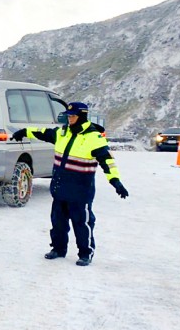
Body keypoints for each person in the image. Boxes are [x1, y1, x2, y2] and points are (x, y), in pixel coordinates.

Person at [10, 101, 129, 266]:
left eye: (72, 116)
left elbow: (107, 161)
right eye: (68, 116)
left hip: (80, 191)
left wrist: (115, 181)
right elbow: (42, 132)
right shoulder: (62, 132)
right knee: (57, 222)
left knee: (82, 223)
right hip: (60, 188)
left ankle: (86, 253)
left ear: (81, 116)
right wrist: (24, 132)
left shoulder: (93, 137)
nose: (69, 119)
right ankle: (58, 249)